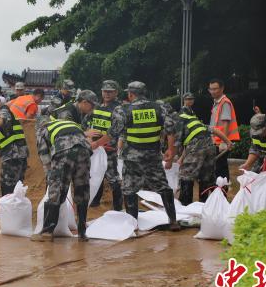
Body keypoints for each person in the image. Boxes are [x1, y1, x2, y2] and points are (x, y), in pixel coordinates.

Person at [109, 81, 180, 230]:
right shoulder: (160, 107)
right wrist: (171, 151)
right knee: (163, 186)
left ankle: (133, 224)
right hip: (152, 157)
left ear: (130, 94)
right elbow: (171, 129)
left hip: (131, 158)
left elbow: (115, 132)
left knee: (129, 189)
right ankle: (173, 221)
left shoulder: (122, 109)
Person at [32, 114, 91, 242]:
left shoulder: (42, 129)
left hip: (63, 151)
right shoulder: (68, 123)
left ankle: (47, 232)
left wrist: (50, 179)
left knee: (56, 191)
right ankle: (82, 232)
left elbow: (45, 158)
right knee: (82, 190)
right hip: (85, 151)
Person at [175, 104, 233, 205]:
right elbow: (215, 130)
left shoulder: (179, 120)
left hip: (196, 146)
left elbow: (181, 143)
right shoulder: (196, 122)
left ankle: (185, 206)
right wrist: (228, 142)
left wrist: (172, 155)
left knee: (186, 176)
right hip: (210, 146)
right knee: (205, 177)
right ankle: (204, 205)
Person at [0, 90, 29, 218]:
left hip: (13, 154)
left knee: (7, 183)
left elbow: (2, 119)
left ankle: (6, 210)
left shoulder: (3, 110)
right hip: (16, 154)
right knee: (17, 183)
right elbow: (1, 136)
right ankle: (16, 209)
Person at [86, 80, 122, 209]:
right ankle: (95, 200)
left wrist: (98, 143)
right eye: (105, 91)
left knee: (112, 177)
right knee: (96, 173)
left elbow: (115, 131)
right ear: (101, 92)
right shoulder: (96, 107)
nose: (107, 94)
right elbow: (86, 123)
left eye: (110, 92)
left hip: (109, 148)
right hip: (95, 147)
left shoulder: (118, 109)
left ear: (116, 93)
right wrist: (88, 136)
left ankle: (118, 206)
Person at [208, 78, 240, 182]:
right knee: (219, 167)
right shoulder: (217, 103)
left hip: (223, 142)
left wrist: (224, 142)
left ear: (222, 89)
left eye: (215, 89)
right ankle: (220, 190)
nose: (212, 91)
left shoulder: (225, 103)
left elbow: (225, 122)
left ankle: (222, 192)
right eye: (210, 89)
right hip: (217, 141)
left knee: (221, 168)